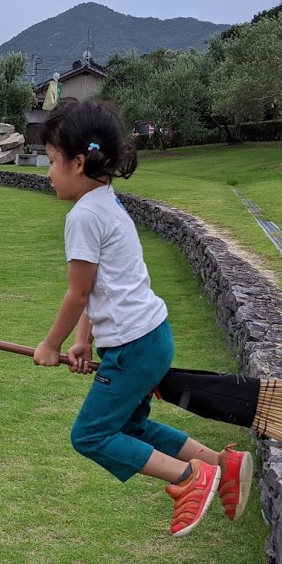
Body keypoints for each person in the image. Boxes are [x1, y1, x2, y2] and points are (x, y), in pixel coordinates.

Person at [33, 99, 253, 537]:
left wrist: (51, 344)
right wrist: (84, 340)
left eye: (53, 161)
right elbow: (100, 290)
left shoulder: (83, 216)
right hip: (150, 337)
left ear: (78, 162)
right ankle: (220, 464)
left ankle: (189, 477)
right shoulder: (107, 204)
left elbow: (78, 292)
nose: (48, 172)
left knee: (91, 435)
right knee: (132, 425)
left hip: (134, 347)